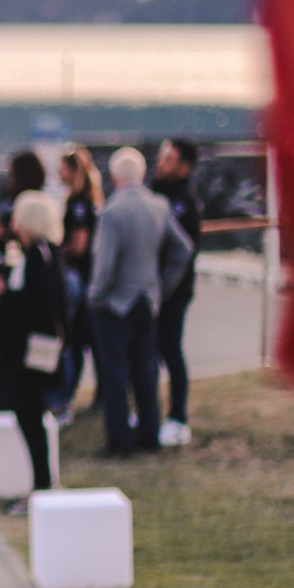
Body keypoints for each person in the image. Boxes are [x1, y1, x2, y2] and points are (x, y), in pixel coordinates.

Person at [85, 146, 192, 457]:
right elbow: (182, 249)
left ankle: (119, 440)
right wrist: (161, 285)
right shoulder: (158, 205)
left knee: (115, 372)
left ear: (115, 176)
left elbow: (105, 265)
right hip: (148, 298)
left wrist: (95, 296)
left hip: (116, 302)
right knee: (146, 369)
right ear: (142, 174)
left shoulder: (112, 212)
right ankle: (149, 433)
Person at [0, 191, 69, 490]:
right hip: (36, 350)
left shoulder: (37, 256)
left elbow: (38, 305)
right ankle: (42, 481)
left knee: (30, 417)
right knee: (31, 417)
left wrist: (5, 297)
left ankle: (42, 483)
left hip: (32, 354)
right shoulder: (46, 252)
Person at [150, 138, 204, 446]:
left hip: (174, 291)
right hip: (153, 288)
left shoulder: (184, 203)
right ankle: (150, 411)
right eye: (160, 157)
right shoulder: (156, 193)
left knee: (170, 349)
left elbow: (183, 253)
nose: (160, 163)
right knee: (149, 353)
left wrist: (165, 289)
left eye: (168, 159)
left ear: (184, 167)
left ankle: (178, 417)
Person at [52, 145, 104, 422]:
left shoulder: (78, 204)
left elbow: (80, 245)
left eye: (61, 167)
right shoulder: (86, 200)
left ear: (72, 170)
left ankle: (64, 399)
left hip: (77, 278)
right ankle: (100, 395)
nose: (58, 173)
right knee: (87, 340)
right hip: (86, 277)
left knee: (72, 340)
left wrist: (55, 250)